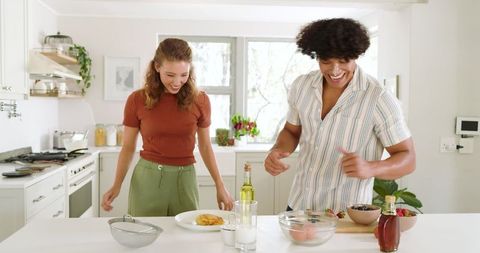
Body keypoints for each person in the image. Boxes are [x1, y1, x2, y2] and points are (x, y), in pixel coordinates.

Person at [264, 18, 416, 212]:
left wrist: (371, 168)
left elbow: (408, 158)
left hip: (346, 214)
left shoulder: (378, 98)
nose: (335, 70)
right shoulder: (301, 86)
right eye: (326, 61)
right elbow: (291, 131)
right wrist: (277, 151)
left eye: (343, 61)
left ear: (356, 56)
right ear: (316, 56)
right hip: (299, 207)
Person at [102, 38, 234, 216]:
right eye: (170, 75)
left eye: (184, 75)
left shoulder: (201, 100)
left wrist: (220, 185)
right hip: (148, 179)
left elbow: (205, 146)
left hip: (185, 179)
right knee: (144, 238)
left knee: (185, 239)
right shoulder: (137, 100)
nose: (177, 82)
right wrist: (117, 184)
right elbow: (128, 147)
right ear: (157, 67)